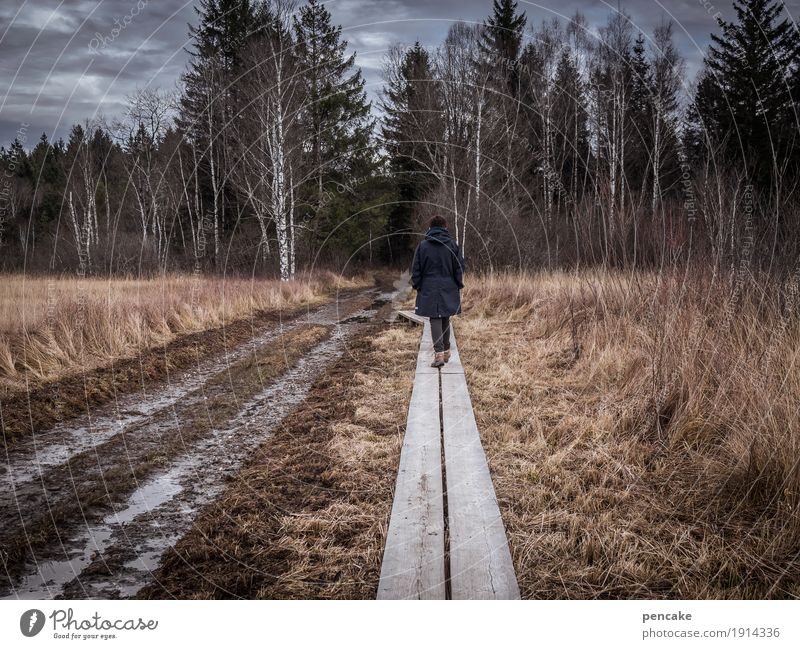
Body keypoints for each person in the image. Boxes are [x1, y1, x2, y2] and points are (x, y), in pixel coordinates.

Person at [410, 215, 465, 368]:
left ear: (430, 228)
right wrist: (458, 284)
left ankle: (439, 355)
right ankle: (445, 351)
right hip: (449, 285)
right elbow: (459, 267)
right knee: (445, 317)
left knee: (435, 318)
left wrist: (418, 285)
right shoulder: (453, 245)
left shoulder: (423, 246)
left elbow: (416, 270)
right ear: (445, 227)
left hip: (429, 285)